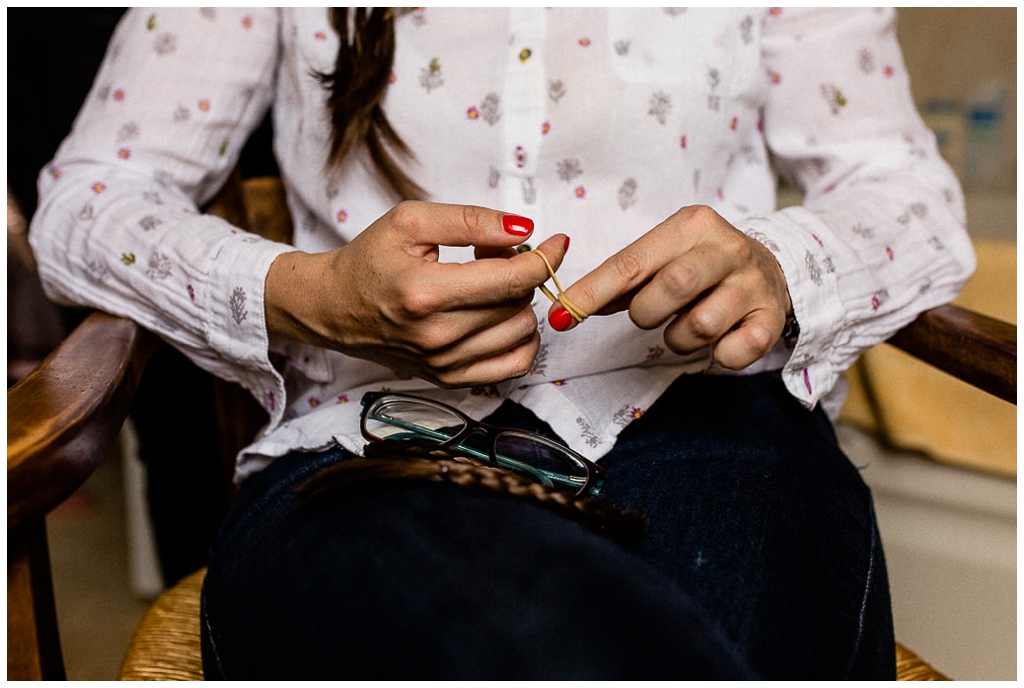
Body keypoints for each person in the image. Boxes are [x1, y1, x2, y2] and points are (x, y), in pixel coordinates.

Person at [29, 7, 975, 680]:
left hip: (722, 433)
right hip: (367, 454)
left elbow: (910, 196)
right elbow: (85, 205)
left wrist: (780, 263)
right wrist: (310, 295)